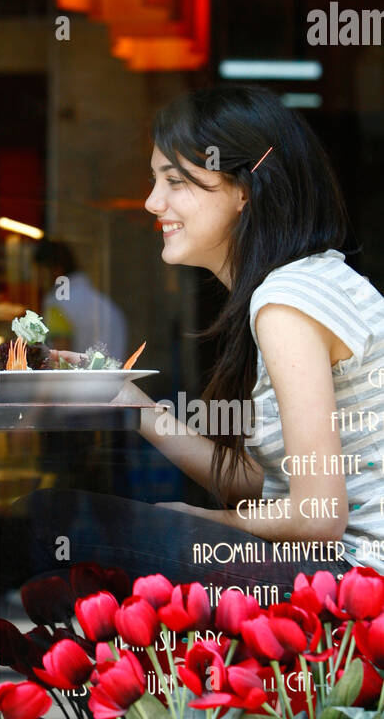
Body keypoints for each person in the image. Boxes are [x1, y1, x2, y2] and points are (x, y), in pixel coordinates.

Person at [20, 85, 384, 596]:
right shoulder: (311, 281)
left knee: (49, 519)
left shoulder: (287, 301)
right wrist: (125, 396)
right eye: (155, 180)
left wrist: (204, 523)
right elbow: (257, 483)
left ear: (244, 190)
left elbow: (317, 516)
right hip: (341, 572)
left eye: (175, 180)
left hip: (357, 582)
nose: (152, 202)